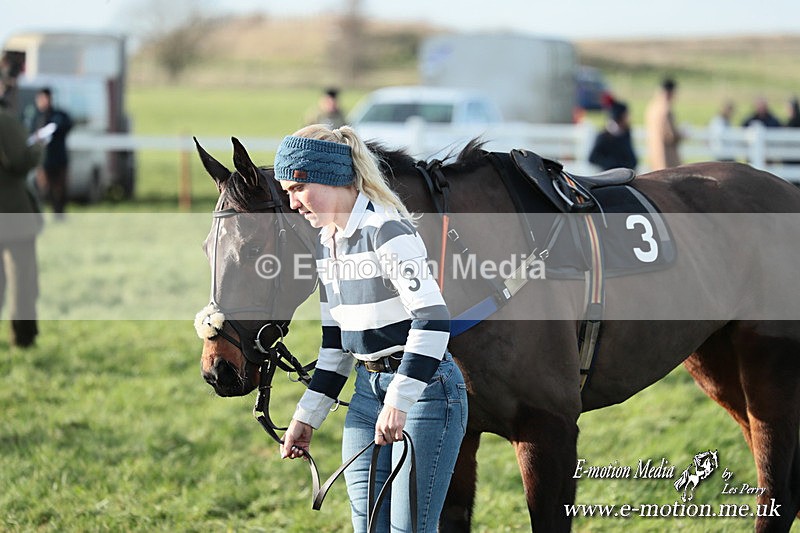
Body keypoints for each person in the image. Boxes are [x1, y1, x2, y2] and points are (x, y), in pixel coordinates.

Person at [276, 124, 467, 532]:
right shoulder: (327, 244)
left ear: (329, 178)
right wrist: (306, 418)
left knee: (408, 529)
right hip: (366, 395)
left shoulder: (387, 231)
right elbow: (336, 348)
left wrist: (398, 402)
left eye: (296, 189)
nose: (291, 203)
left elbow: (433, 319)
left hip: (427, 395)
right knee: (368, 526)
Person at [0, 95, 43, 347]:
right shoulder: (5, 121)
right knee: (21, 281)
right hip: (11, 214)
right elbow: (20, 161)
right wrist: (37, 147)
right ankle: (23, 338)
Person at [29, 87, 72, 217]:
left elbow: (66, 126)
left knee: (59, 189)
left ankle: (59, 214)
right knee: (42, 189)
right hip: (42, 160)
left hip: (58, 158)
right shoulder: (35, 117)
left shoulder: (59, 116)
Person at [588, 99, 638, 170]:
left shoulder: (625, 134)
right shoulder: (604, 135)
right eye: (626, 115)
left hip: (624, 173)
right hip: (606, 174)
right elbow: (592, 158)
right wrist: (611, 164)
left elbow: (632, 160)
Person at [645, 78, 683, 170]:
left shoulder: (652, 107)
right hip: (667, 157)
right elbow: (670, 135)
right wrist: (682, 135)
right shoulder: (666, 109)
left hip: (653, 154)